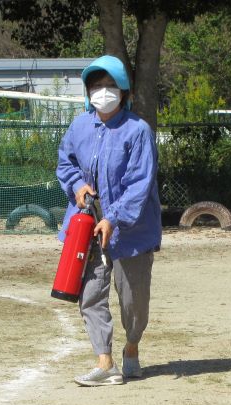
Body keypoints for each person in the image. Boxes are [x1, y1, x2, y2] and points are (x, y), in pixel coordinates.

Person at [56, 54, 162, 386]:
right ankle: (105, 363)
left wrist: (113, 219)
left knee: (134, 301)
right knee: (90, 295)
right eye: (96, 85)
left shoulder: (138, 130)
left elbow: (139, 183)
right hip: (87, 226)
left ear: (124, 91)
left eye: (110, 85)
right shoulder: (79, 126)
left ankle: (132, 348)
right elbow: (65, 163)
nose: (103, 91)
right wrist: (76, 185)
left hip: (131, 231)